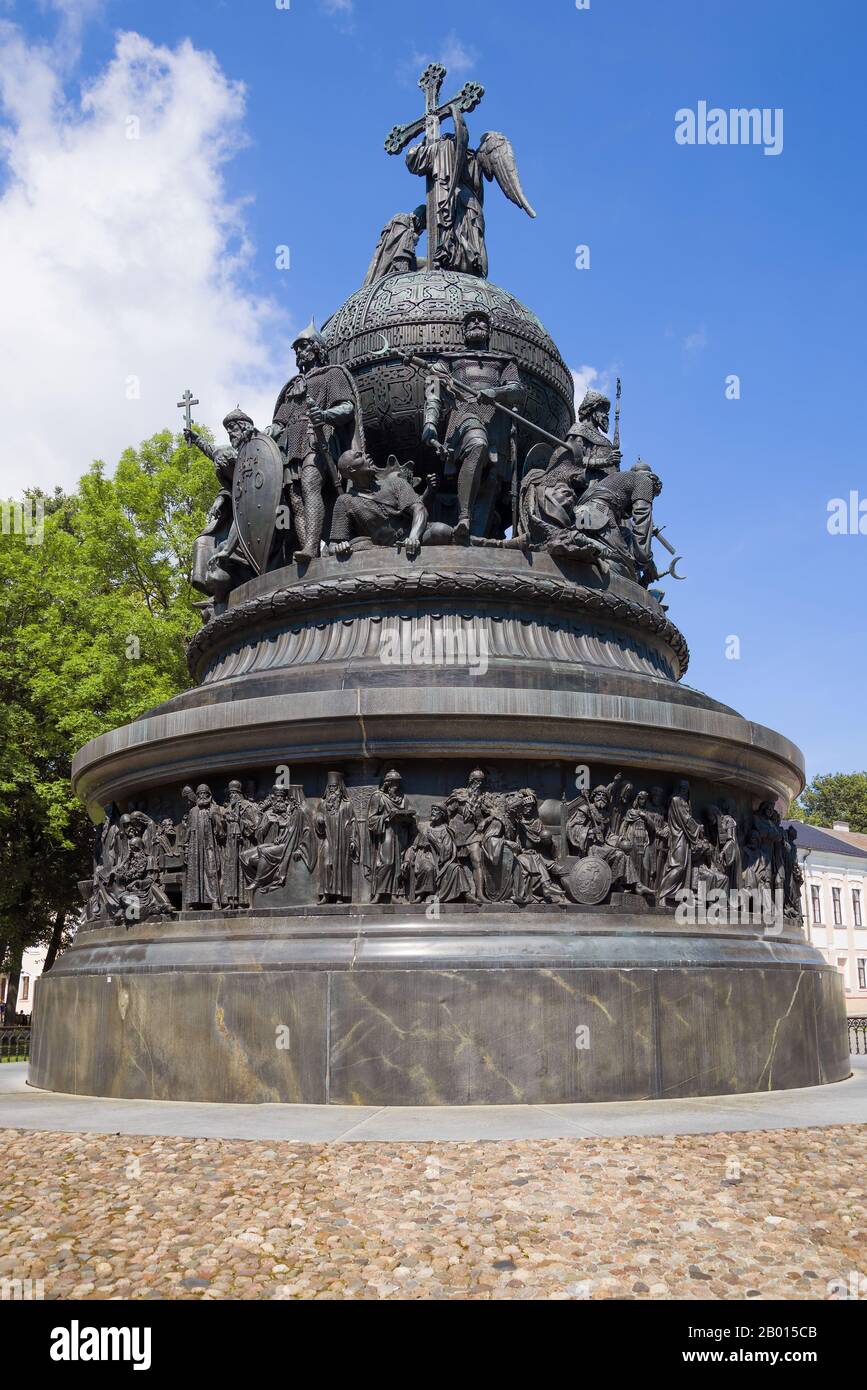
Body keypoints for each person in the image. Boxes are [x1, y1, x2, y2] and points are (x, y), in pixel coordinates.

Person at [422, 309, 525, 541]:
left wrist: (495, 392)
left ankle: (472, 539)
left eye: (481, 321)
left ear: (489, 331)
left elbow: (517, 391)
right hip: (464, 416)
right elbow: (432, 389)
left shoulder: (503, 362)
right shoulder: (449, 360)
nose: (476, 323)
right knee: (477, 444)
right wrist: (429, 421)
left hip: (496, 424)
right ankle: (464, 517)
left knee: (491, 481)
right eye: (471, 321)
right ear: (464, 331)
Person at [269, 321, 359, 561]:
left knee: (310, 484)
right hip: (291, 445)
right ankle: (309, 551)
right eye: (296, 348)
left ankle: (312, 545)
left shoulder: (332, 374)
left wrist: (325, 415)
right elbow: (280, 422)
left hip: (318, 438)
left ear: (318, 348)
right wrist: (267, 435)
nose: (299, 352)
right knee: (296, 499)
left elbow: (347, 408)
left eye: (304, 346)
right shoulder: (292, 386)